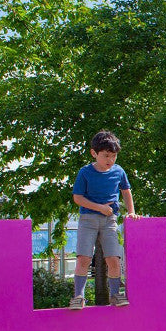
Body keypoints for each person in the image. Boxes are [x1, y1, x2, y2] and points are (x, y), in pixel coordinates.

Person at [70, 130, 137, 309]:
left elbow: (126, 191)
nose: (110, 160)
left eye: (113, 156)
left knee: (114, 259)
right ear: (94, 153)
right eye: (106, 155)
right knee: (83, 258)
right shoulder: (85, 172)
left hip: (110, 222)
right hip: (88, 220)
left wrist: (131, 211)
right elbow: (78, 198)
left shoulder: (119, 171)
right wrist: (100, 208)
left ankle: (115, 294)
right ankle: (78, 296)